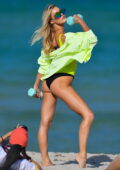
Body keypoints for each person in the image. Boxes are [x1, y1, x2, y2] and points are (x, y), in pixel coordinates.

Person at [31, 4, 98, 168]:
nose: (62, 15)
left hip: (48, 82)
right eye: (57, 14)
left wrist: (36, 86)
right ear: (52, 21)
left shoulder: (48, 40)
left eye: (62, 12)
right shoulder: (67, 37)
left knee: (44, 123)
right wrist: (81, 22)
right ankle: (81, 155)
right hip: (60, 83)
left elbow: (43, 65)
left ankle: (46, 160)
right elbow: (92, 39)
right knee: (88, 116)